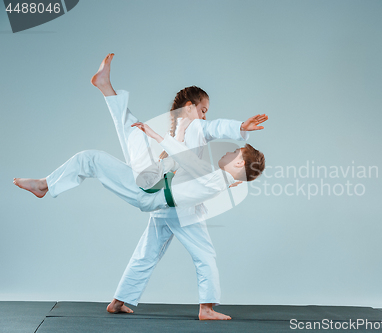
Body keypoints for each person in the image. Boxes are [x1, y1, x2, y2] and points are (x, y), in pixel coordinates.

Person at [13, 53, 267, 320]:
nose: (206, 117)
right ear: (190, 107)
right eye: (203, 110)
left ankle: (127, 301)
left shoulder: (193, 131)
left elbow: (214, 131)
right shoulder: (187, 129)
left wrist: (239, 127)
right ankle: (178, 306)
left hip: (166, 200)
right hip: (165, 199)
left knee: (153, 252)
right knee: (128, 136)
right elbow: (202, 141)